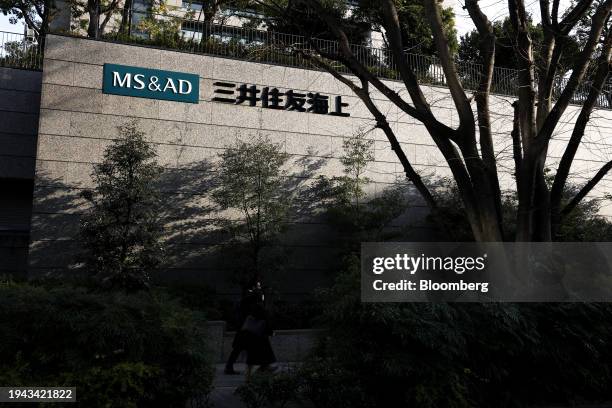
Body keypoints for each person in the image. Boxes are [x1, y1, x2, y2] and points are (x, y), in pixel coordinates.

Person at [224, 277, 263, 375]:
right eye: (258, 285)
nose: (260, 287)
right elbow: (251, 312)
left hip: (245, 328)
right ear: (253, 287)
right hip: (246, 328)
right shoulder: (251, 298)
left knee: (240, 348)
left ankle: (230, 367)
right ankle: (256, 368)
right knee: (243, 348)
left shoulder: (249, 297)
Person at [242, 302, 277, 378]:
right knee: (266, 357)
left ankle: (248, 376)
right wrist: (272, 333)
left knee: (250, 360)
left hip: (250, 342)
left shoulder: (249, 318)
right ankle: (264, 369)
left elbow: (245, 329)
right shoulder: (263, 319)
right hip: (261, 342)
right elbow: (268, 330)